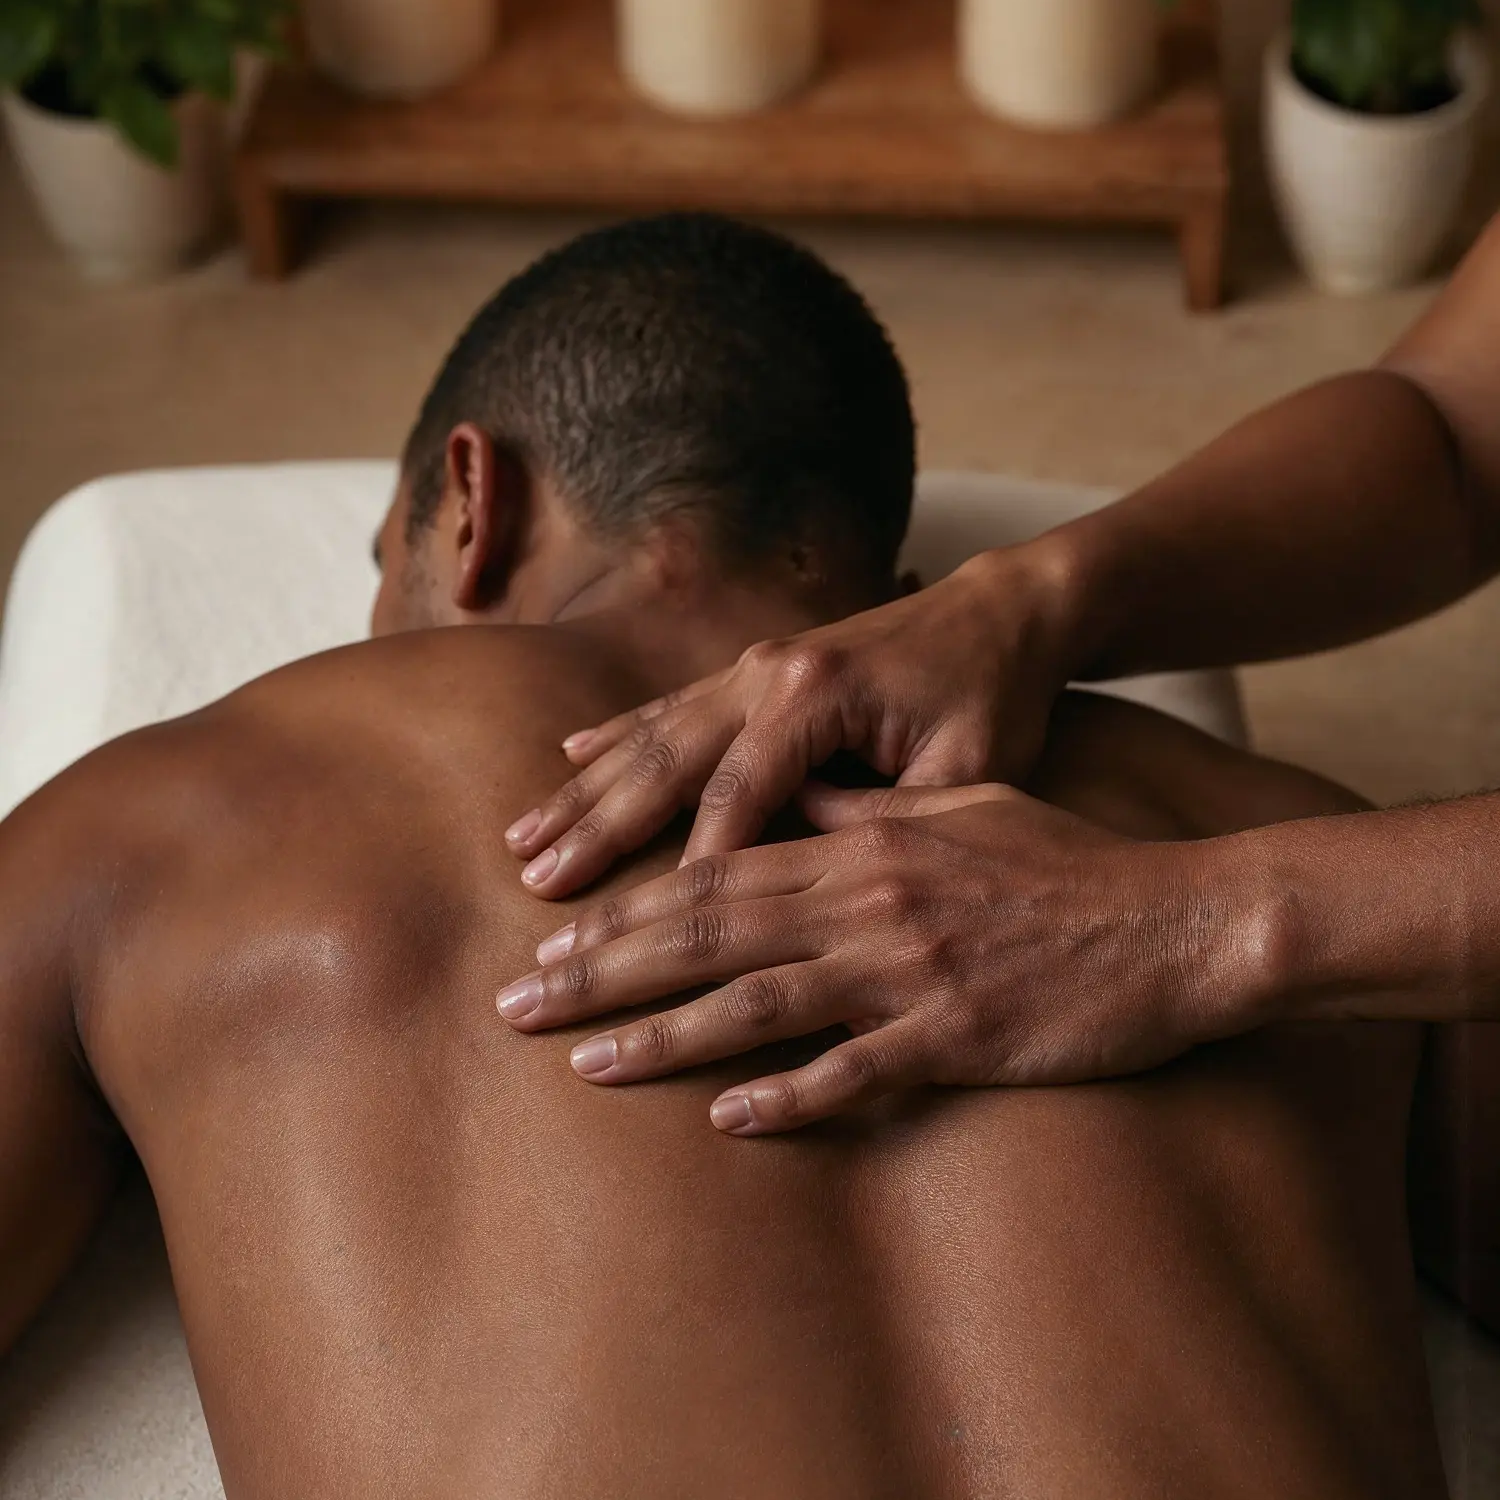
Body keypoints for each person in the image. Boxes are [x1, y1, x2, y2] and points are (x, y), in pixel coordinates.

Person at [0, 214, 1479, 1495]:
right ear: (898, 588)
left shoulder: (170, 814)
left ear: (469, 506)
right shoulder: (1340, 855)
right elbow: (1453, 428)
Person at [502, 210, 1500, 1171]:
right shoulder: (1272, 811)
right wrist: (1030, 593)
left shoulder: (353, 753)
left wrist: (1213, 920)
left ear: (476, 511)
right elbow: (1461, 423)